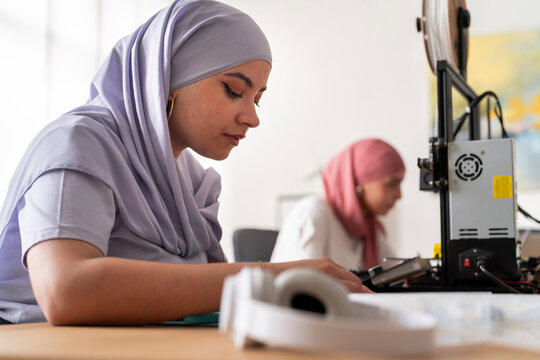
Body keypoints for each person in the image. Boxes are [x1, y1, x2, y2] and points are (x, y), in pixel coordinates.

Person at [0, 0, 370, 326]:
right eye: (234, 90)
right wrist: (272, 277)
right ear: (167, 80)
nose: (252, 118)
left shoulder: (190, 180)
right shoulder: (78, 144)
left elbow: (210, 296)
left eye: (256, 99)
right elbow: (66, 290)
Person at [271, 138, 405, 271]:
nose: (399, 195)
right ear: (360, 183)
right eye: (392, 184)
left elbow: (399, 276)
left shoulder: (371, 229)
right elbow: (302, 283)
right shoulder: (313, 212)